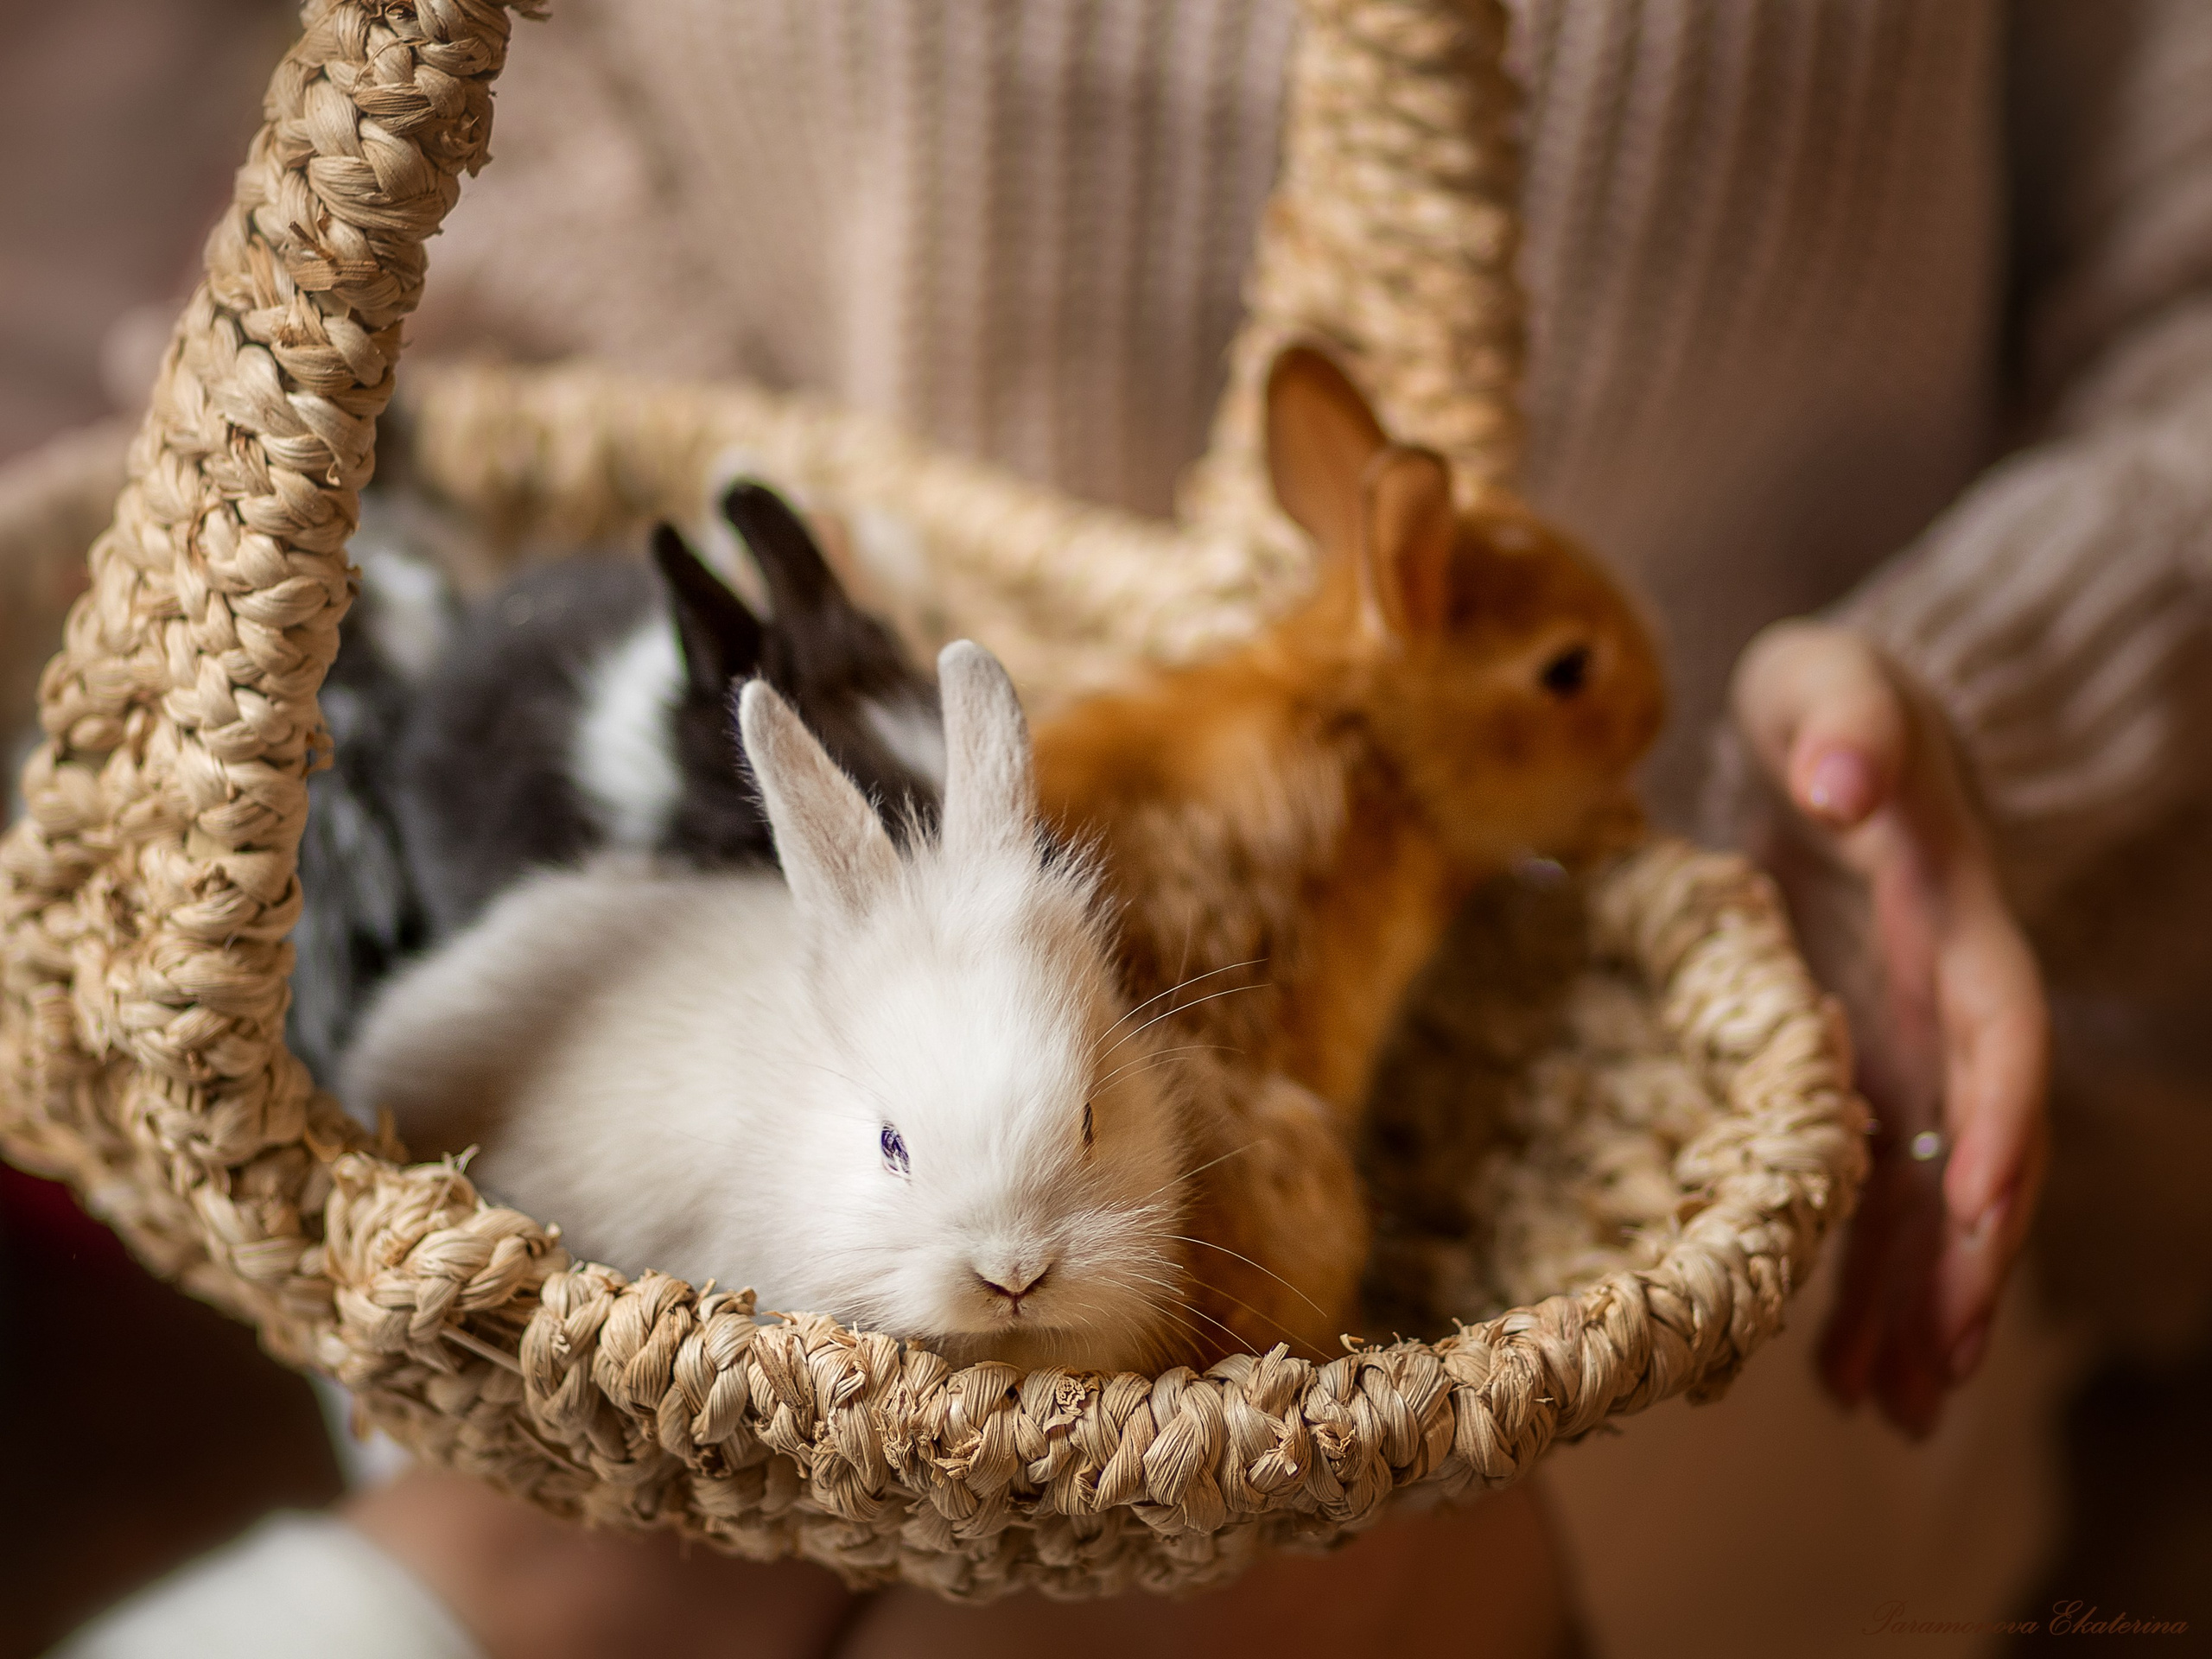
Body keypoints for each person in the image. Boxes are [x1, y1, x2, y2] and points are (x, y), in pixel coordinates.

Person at [55, 1, 2212, 1654]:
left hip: (1801, 1045)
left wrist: (1962, 700)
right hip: (859, 685)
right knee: (591, 1549)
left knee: (1199, 1580)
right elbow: (534, 200)